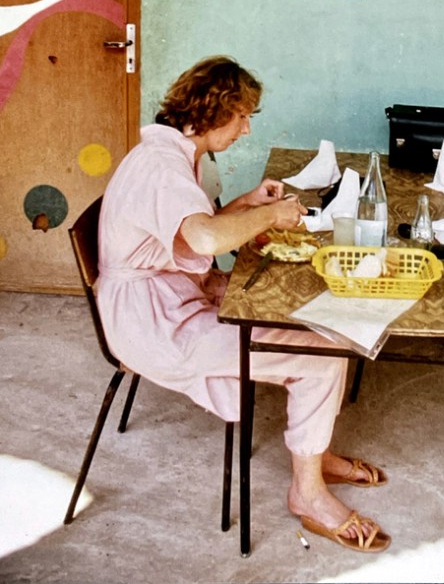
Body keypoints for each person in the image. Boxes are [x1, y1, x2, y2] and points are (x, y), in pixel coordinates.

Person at [97, 55, 390, 552]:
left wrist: (248, 203)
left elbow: (188, 228)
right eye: (241, 116)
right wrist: (271, 215)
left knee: (312, 323)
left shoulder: (170, 150)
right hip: (152, 324)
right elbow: (205, 239)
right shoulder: (162, 167)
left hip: (163, 297)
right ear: (211, 112)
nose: (247, 128)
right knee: (322, 354)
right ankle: (307, 493)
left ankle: (314, 454)